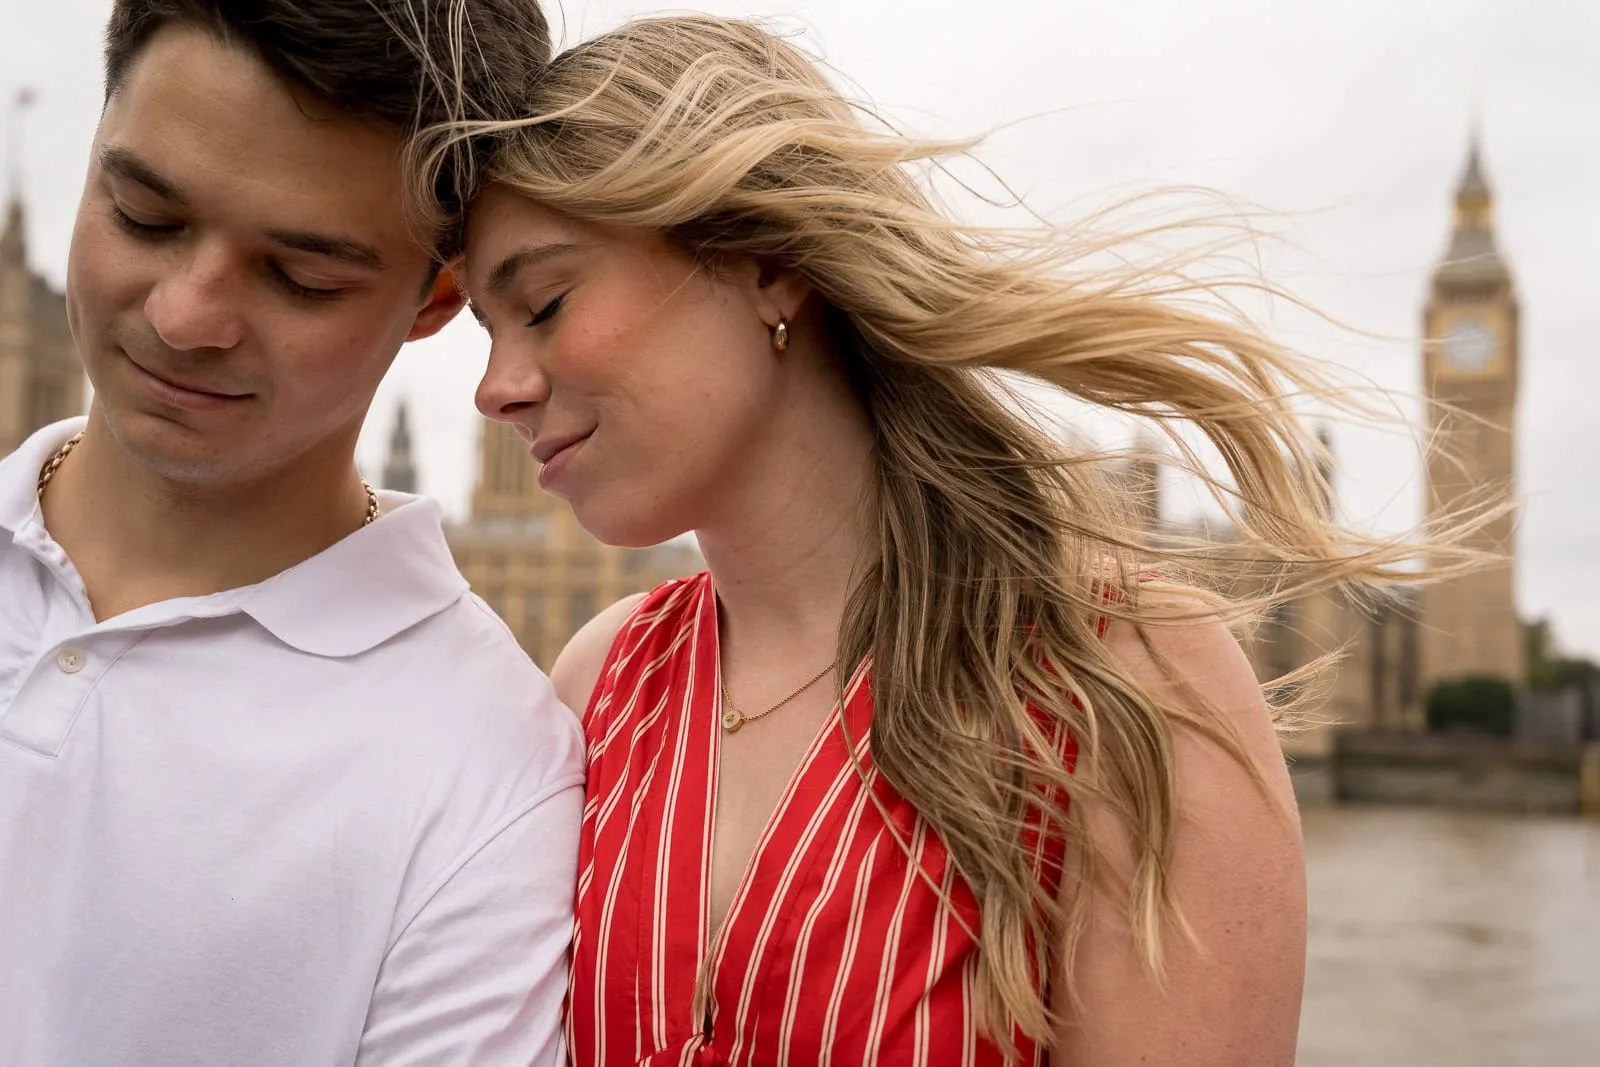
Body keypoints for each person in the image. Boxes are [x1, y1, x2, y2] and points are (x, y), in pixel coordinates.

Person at [438, 15, 1487, 1065]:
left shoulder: (1123, 679)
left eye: (544, 302)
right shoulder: (600, 684)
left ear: (760, 258)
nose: (497, 389)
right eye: (486, 332)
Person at [0, 2, 580, 1064]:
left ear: (436, 297)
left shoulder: (488, 777)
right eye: (143, 214)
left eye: (300, 277)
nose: (185, 315)